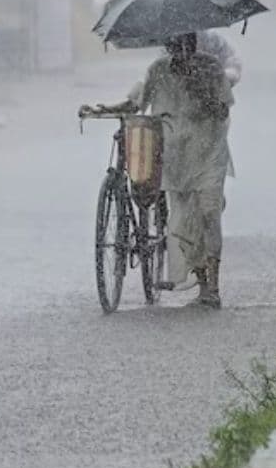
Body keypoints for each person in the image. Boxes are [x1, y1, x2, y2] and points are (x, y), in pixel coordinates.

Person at [82, 32, 233, 307]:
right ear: (168, 46)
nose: (180, 51)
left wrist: (202, 91)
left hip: (209, 150)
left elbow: (222, 110)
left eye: (186, 44)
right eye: (175, 46)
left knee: (209, 211)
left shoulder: (211, 67)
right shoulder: (159, 69)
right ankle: (202, 280)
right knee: (183, 220)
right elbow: (138, 103)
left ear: (193, 43)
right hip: (177, 156)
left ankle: (213, 285)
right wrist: (105, 109)